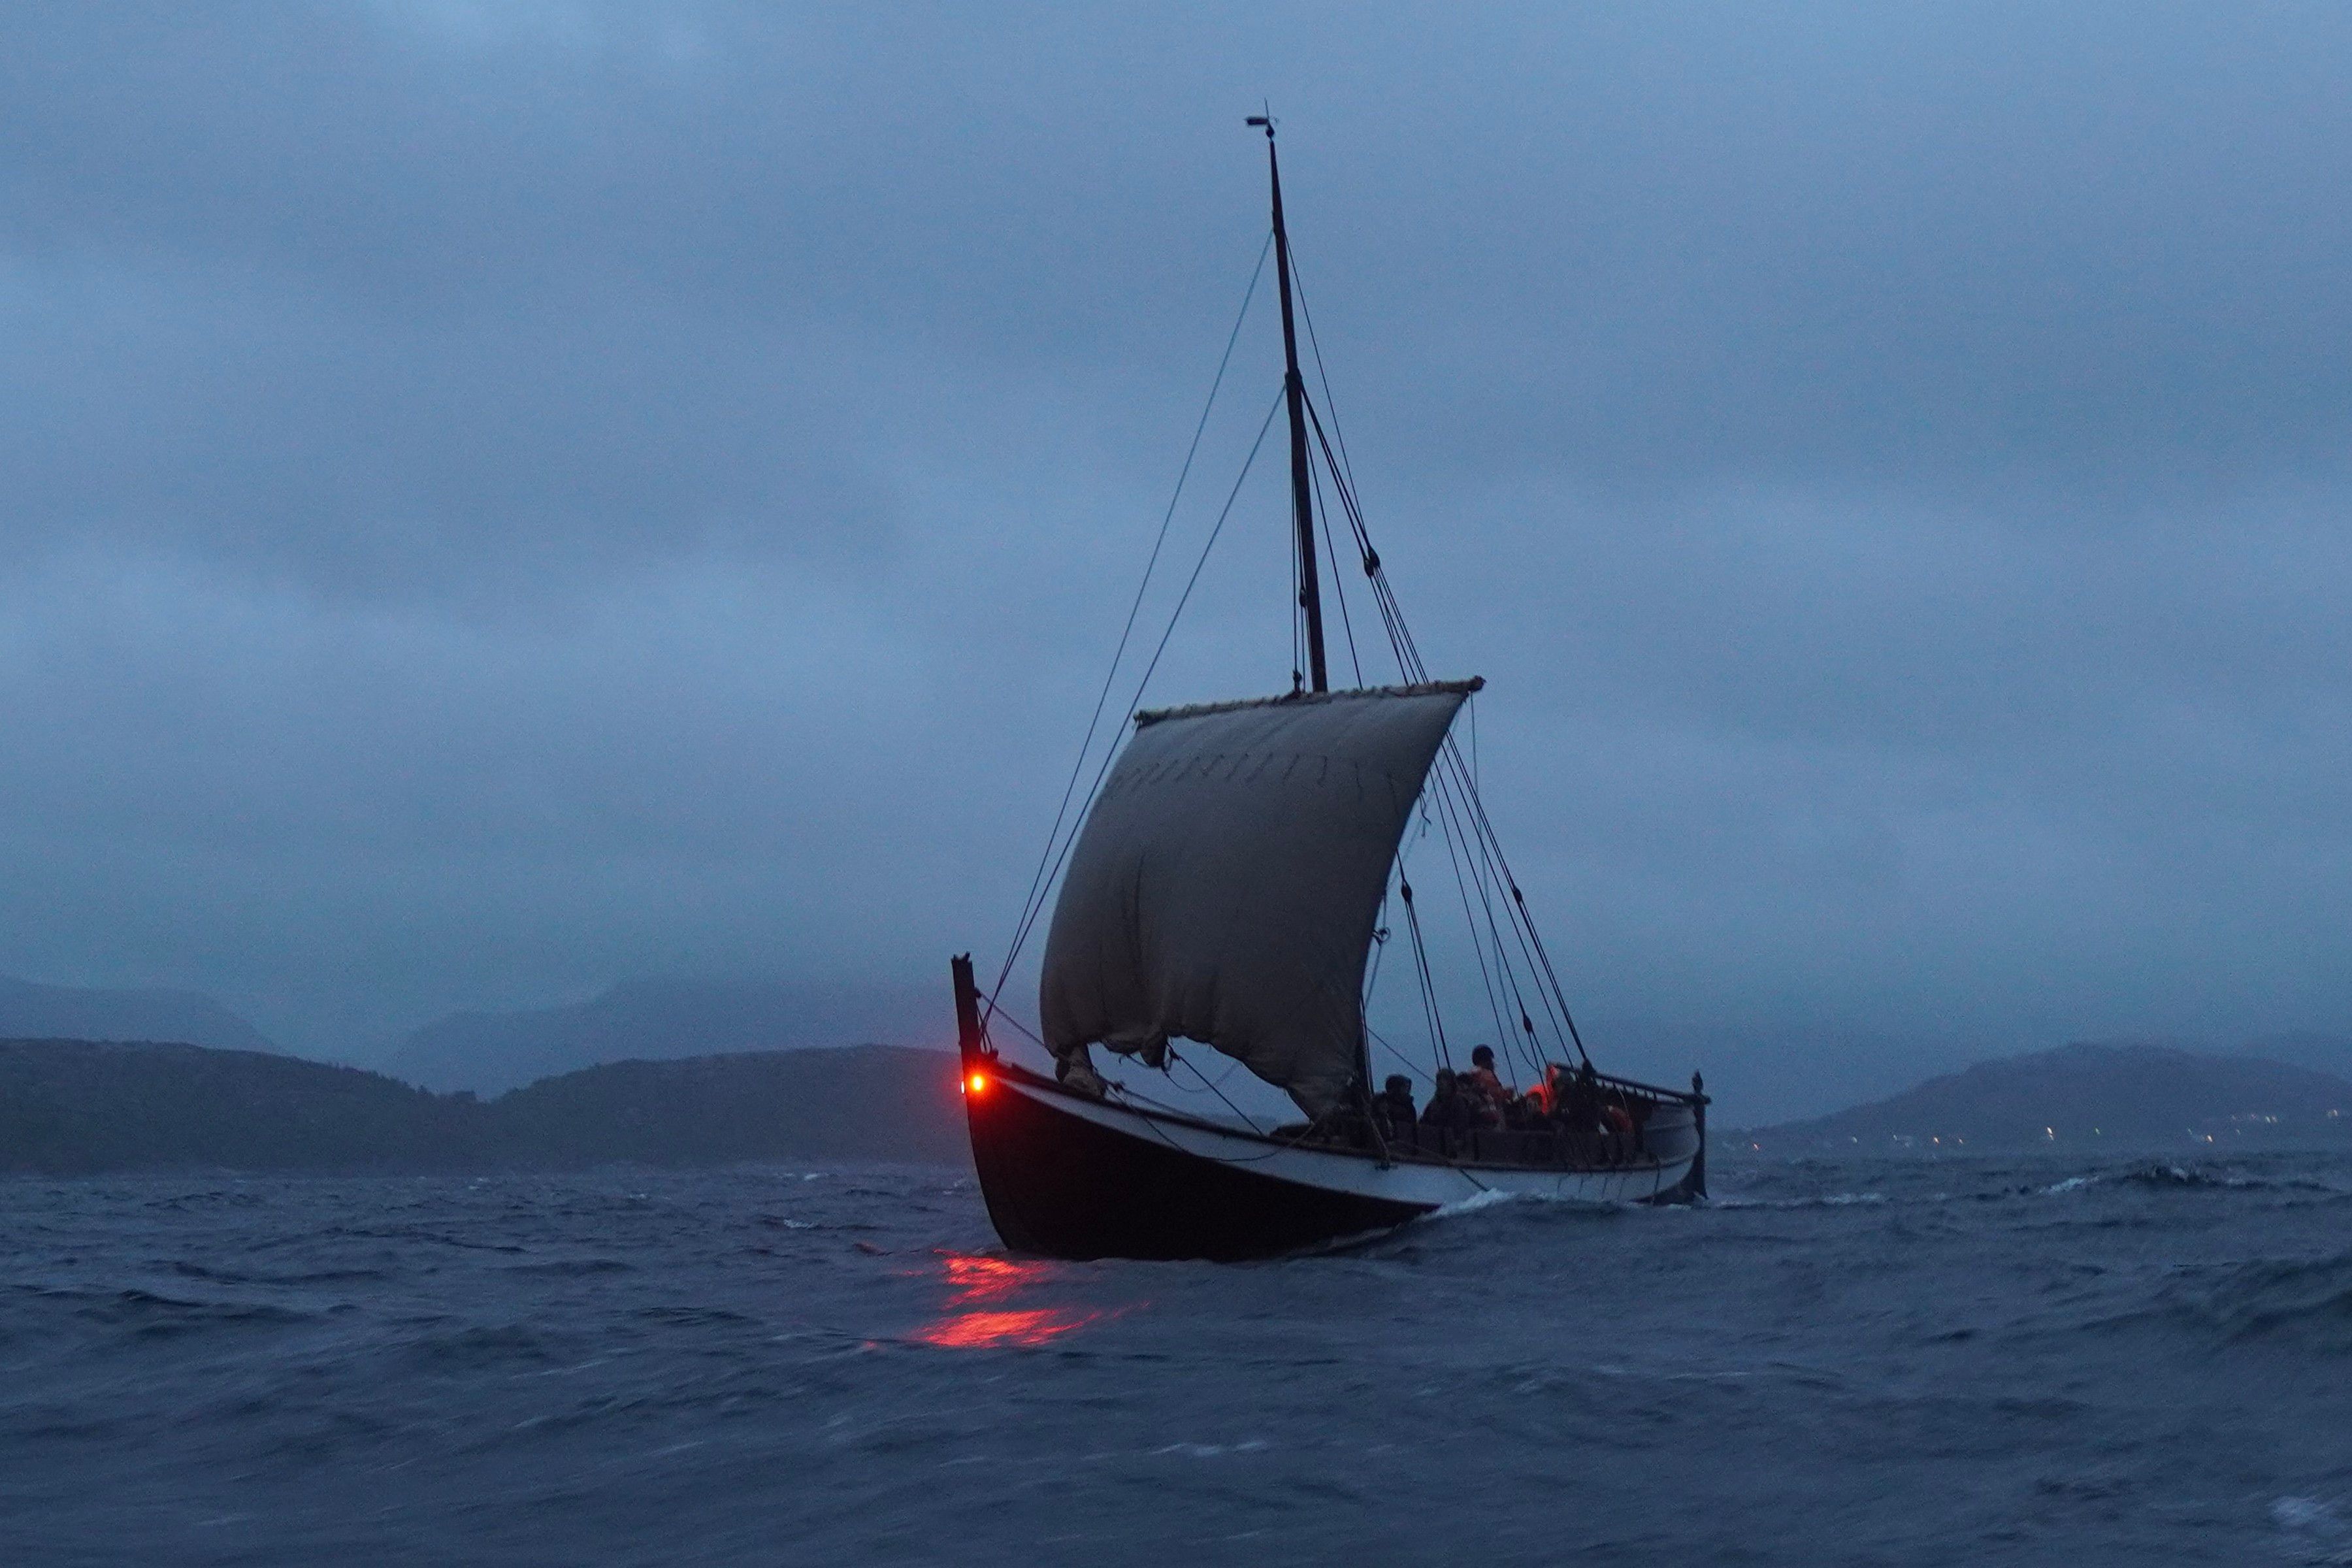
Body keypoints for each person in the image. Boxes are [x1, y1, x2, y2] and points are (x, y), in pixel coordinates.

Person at [1463, 1045, 1509, 1128]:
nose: (1493, 1064)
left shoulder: (1471, 1075)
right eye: (1491, 1060)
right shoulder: (1486, 1074)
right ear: (1487, 1061)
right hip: (1491, 1121)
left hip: (1477, 1121)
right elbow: (1495, 1094)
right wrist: (1507, 1093)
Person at [1373, 1074, 1417, 1139]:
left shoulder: (1410, 1107)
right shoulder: (1382, 1102)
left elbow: (1414, 1129)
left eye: (1407, 1088)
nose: (1407, 1091)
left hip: (1406, 1141)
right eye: (1404, 1087)